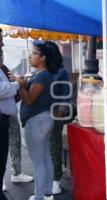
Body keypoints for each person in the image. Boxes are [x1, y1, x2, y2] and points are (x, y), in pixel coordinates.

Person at [14, 42, 59, 200]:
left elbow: (29, 100)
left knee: (38, 162)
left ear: (43, 58)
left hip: (36, 121)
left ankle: (40, 196)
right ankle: (47, 193)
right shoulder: (43, 75)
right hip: (44, 119)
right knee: (45, 158)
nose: (29, 56)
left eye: (33, 53)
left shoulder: (41, 76)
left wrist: (21, 85)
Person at [1, 65, 34, 192]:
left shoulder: (3, 67)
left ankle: (16, 173)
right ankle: (2, 180)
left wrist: (18, 80)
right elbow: (3, 90)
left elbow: (11, 80)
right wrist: (17, 84)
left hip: (9, 114)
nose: (2, 55)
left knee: (15, 142)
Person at [44, 41, 69, 195]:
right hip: (41, 114)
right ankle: (48, 176)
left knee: (54, 146)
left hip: (55, 113)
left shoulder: (61, 71)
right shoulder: (43, 70)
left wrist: (60, 111)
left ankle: (56, 180)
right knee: (45, 147)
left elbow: (65, 94)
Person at [0, 28, 20, 200]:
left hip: (4, 119)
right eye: (0, 40)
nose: (2, 44)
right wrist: (17, 86)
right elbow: (2, 89)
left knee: (2, 158)